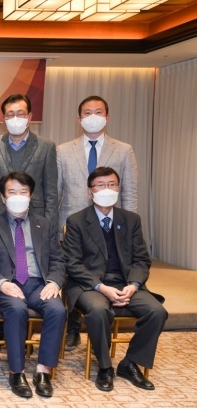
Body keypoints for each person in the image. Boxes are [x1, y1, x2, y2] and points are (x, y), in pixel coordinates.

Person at [62, 167, 167, 392]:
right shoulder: (77, 221)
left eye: (111, 184)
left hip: (126, 283)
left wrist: (133, 285)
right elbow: (72, 263)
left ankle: (130, 363)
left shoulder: (131, 220)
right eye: (100, 185)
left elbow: (141, 259)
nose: (106, 189)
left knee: (157, 311)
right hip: (89, 285)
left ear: (118, 189)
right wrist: (101, 287)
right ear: (90, 191)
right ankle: (105, 367)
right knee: (98, 310)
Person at [57, 96, 139, 351]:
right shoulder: (63, 150)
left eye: (98, 112)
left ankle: (101, 327)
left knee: (107, 273)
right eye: (87, 112)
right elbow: (55, 193)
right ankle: (71, 328)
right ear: (79, 118)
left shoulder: (123, 150)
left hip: (110, 227)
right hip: (72, 226)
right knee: (71, 277)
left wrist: (127, 231)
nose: (93, 117)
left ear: (107, 117)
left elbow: (130, 193)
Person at [0, 172, 66, 398]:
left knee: (57, 309)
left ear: (30, 196)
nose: (18, 196)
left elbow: (58, 260)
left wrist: (54, 282)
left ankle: (43, 371)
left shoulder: (44, 224)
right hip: (7, 285)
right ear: (3, 198)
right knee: (16, 309)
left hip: (37, 284)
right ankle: (17, 372)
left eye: (23, 192)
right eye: (12, 192)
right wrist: (2, 283)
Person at [0, 93, 58, 351]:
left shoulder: (46, 146)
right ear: (3, 118)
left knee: (31, 272)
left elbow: (51, 190)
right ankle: (2, 331)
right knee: (4, 271)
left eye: (20, 113)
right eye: (10, 114)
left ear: (30, 116)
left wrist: (50, 227)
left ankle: (25, 334)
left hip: (33, 221)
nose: (15, 118)